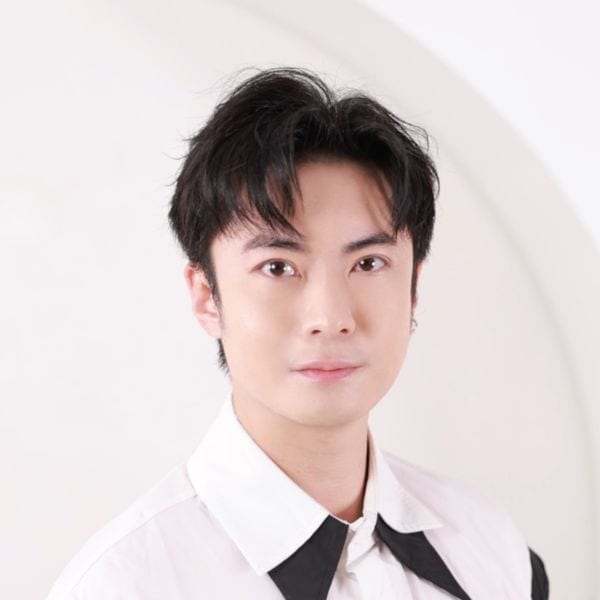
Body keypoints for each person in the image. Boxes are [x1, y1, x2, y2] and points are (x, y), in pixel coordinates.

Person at [46, 67, 549, 599]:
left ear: (413, 288)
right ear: (207, 295)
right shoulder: (126, 583)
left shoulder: (489, 545)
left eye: (369, 263)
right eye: (278, 267)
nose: (330, 317)